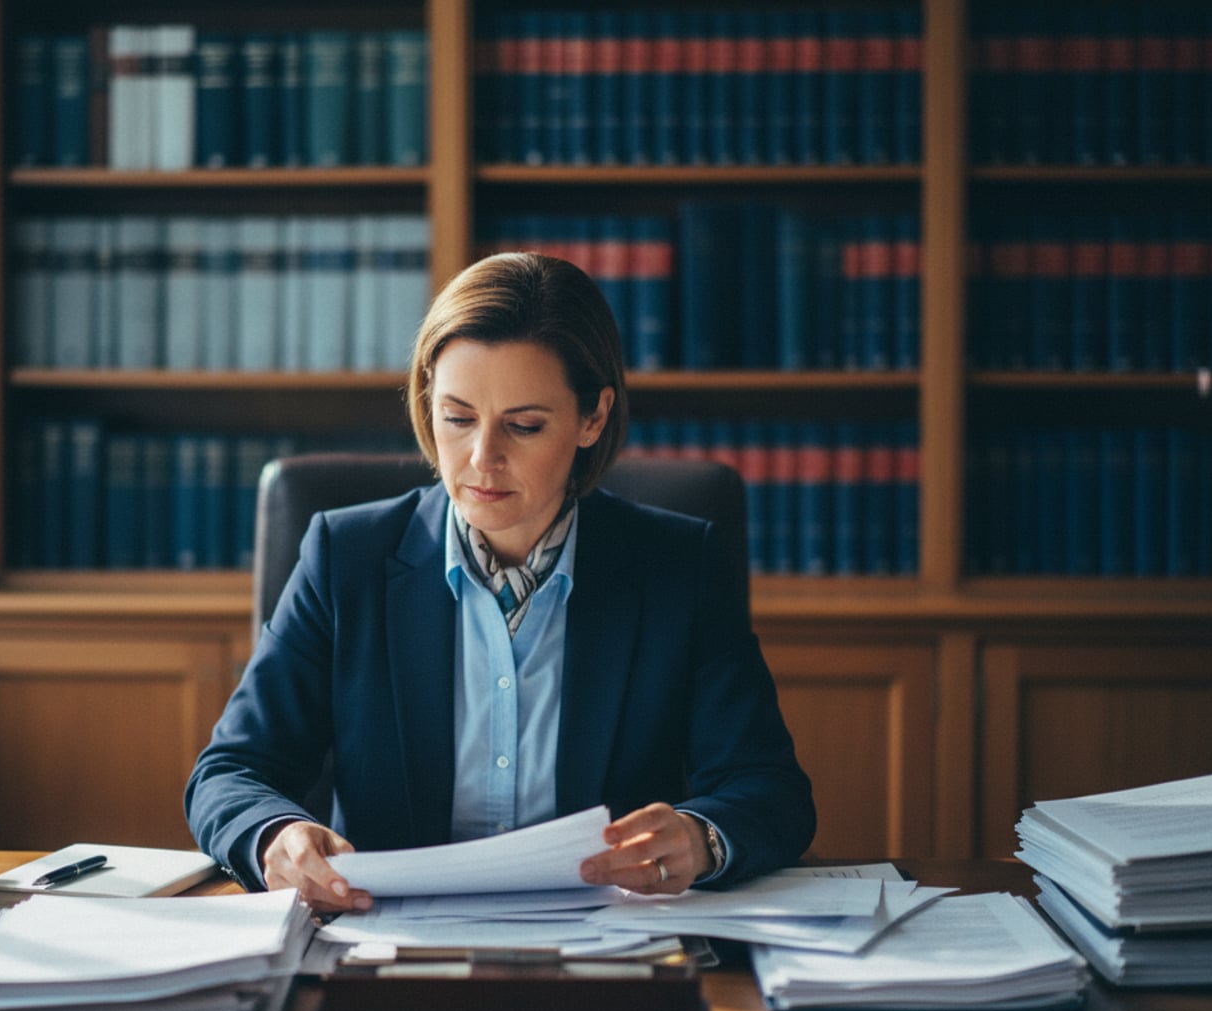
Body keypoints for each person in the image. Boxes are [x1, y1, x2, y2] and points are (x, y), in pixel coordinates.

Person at [185, 252, 814, 912]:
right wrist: (275, 837)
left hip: (609, 950)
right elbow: (230, 772)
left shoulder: (676, 568)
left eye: (524, 425)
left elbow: (768, 789)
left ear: (593, 417)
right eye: (457, 417)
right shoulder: (346, 558)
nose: (482, 458)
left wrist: (701, 838)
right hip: (386, 947)